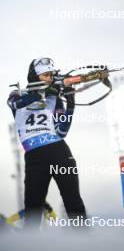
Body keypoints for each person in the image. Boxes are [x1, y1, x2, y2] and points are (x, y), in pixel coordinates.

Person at [7, 57, 87, 229]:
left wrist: (70, 104)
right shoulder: (18, 94)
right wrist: (36, 96)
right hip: (34, 158)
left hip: (59, 152)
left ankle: (84, 241)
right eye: (45, 75)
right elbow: (13, 103)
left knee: (73, 202)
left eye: (51, 75)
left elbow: (62, 131)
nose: (49, 78)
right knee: (33, 212)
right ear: (34, 76)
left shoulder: (54, 98)